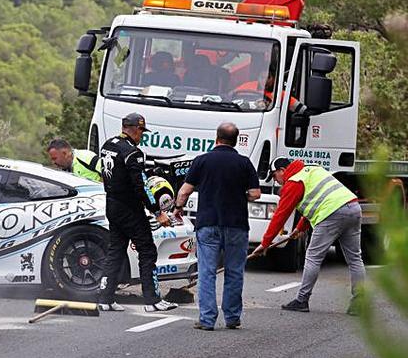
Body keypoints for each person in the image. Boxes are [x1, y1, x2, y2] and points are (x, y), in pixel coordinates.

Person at [174, 123, 261, 330]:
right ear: (236, 140)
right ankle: (232, 317)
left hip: (208, 223)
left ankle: (207, 319)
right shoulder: (244, 163)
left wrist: (178, 207)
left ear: (217, 137)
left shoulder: (202, 161)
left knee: (207, 272)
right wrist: (242, 196)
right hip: (237, 225)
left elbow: (185, 191)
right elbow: (255, 194)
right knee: (234, 271)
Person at [251, 158, 365, 315]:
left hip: (331, 214)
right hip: (353, 207)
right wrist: (300, 228)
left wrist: (265, 243)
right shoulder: (311, 170)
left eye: (275, 176)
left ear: (282, 170)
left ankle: (302, 300)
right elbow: (317, 200)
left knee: (313, 258)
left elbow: (280, 215)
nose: (276, 181)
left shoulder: (293, 182)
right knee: (354, 259)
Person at [97, 113, 177, 313]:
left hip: (112, 205)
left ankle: (105, 298)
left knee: (116, 250)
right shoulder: (134, 153)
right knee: (147, 250)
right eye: (141, 131)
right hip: (129, 208)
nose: (142, 135)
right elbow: (140, 186)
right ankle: (152, 300)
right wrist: (157, 212)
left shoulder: (108, 145)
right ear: (133, 128)